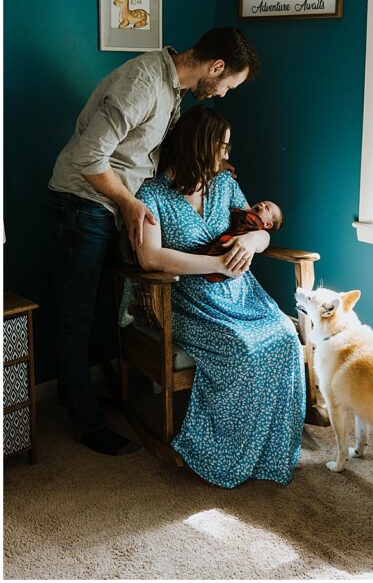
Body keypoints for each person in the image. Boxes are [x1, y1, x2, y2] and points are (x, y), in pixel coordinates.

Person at [47, 27, 260, 456]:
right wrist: (128, 203)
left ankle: (77, 395)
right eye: (227, 85)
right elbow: (89, 156)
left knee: (108, 304)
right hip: (83, 201)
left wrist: (213, 166)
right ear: (215, 67)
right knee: (76, 313)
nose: (222, 94)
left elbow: (150, 155)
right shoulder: (143, 83)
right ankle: (87, 424)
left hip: (113, 201)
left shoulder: (175, 92)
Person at [135, 106, 305, 487]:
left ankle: (272, 447)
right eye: (222, 146)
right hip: (190, 301)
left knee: (285, 336)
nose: (227, 154)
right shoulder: (153, 194)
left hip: (242, 296)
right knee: (243, 349)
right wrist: (214, 265)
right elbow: (150, 256)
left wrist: (252, 239)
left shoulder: (224, 186)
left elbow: (260, 229)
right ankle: (222, 452)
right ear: (200, 145)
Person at [199, 200, 283, 283]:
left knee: (223, 253)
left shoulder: (252, 222)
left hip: (228, 251)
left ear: (267, 224)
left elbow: (239, 217)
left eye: (266, 208)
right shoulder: (252, 222)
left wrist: (234, 211)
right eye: (263, 202)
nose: (262, 204)